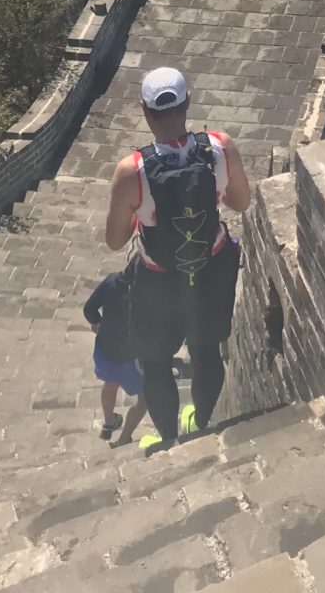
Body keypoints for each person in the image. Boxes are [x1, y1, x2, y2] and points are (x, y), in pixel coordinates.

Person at [103, 66, 251, 455]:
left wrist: (140, 213)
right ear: (187, 104)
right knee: (205, 350)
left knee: (155, 362)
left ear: (145, 112)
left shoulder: (131, 170)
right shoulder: (219, 146)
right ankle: (200, 423)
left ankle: (168, 439)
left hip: (157, 282)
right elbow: (241, 202)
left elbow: (116, 241)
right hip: (212, 270)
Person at [83, 271, 147, 445]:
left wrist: (98, 323)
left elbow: (89, 310)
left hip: (104, 351)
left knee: (110, 384)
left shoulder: (112, 280)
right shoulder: (147, 292)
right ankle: (124, 438)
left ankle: (109, 420)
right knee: (145, 399)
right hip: (129, 359)